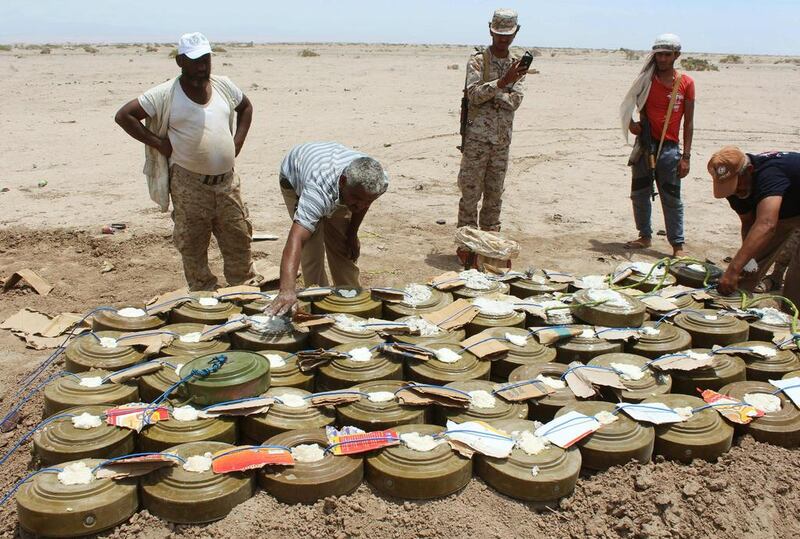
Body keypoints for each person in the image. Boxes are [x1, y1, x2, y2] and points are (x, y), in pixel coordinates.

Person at [114, 32, 261, 291]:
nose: (202, 66)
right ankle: (204, 299)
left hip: (228, 184)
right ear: (180, 61)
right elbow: (124, 116)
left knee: (238, 240)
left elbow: (246, 107)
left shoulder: (223, 85)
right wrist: (158, 143)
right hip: (189, 185)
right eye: (195, 61)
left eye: (206, 59)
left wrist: (237, 142)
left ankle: (244, 291)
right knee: (193, 246)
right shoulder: (165, 94)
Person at [269, 142, 389, 315]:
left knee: (343, 246)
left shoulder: (379, 182)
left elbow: (361, 201)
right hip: (296, 173)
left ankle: (351, 299)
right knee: (312, 249)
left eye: (367, 201)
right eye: (356, 198)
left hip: (334, 175)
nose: (360, 206)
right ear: (343, 181)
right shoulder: (317, 192)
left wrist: (352, 233)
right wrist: (287, 290)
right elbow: (297, 238)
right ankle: (319, 302)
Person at [456, 8, 527, 262]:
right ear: (490, 30)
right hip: (476, 139)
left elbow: (516, 100)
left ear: (516, 32)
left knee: (495, 194)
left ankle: (490, 246)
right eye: (499, 34)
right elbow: (473, 95)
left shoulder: (517, 64)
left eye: (507, 35)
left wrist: (495, 93)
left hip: (501, 141)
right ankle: (466, 244)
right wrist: (500, 84)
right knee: (471, 193)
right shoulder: (478, 61)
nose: (503, 40)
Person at [620, 33, 695, 257]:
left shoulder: (686, 83)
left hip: (670, 150)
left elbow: (689, 123)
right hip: (644, 145)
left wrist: (686, 157)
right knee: (640, 193)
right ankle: (644, 236)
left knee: (671, 197)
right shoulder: (646, 79)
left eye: (666, 55)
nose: (662, 59)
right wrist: (632, 124)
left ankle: (677, 245)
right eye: (659, 55)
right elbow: (630, 104)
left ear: (676, 56)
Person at [707, 146, 800, 308]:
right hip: (786, 208)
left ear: (749, 170)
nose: (735, 191)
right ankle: (733, 307)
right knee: (749, 267)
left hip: (782, 208)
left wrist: (733, 268)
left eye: (736, 185)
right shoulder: (733, 187)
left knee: (796, 277)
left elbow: (767, 224)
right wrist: (746, 263)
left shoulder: (770, 174)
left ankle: (792, 320)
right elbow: (749, 224)